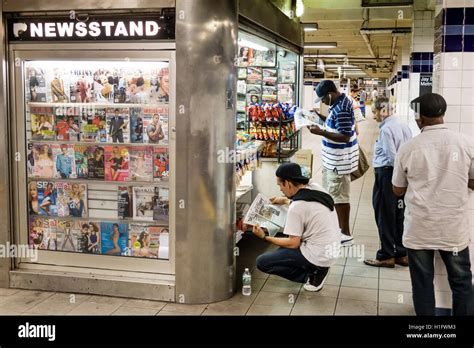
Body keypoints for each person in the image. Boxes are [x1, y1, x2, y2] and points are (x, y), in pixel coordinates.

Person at [392, 93, 474, 315]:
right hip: (453, 229)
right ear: (443, 114)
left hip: (420, 229)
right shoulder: (466, 143)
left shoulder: (408, 148)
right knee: (462, 281)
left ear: (419, 119)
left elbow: (397, 190)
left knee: (422, 283)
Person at [253, 163, 340, 292]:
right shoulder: (314, 187)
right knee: (281, 250)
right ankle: (319, 267)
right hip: (332, 247)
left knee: (262, 262)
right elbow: (307, 202)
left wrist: (265, 237)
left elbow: (293, 243)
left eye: (280, 185)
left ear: (288, 183)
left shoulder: (297, 207)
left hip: (319, 254)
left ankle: (313, 276)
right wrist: (284, 200)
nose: (280, 189)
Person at [363, 97, 412, 268]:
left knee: (384, 214)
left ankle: (386, 255)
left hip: (387, 175)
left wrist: (396, 176)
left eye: (375, 111)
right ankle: (401, 253)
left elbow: (393, 157)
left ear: (382, 111)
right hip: (402, 176)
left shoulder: (386, 130)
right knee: (399, 214)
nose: (373, 115)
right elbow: (406, 153)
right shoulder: (404, 125)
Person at [309, 80, 359, 246]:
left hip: (339, 163)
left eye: (323, 99)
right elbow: (335, 125)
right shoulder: (338, 104)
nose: (322, 102)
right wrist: (319, 117)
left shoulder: (342, 108)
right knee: (336, 196)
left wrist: (321, 132)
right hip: (334, 161)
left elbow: (344, 136)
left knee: (340, 198)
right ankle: (339, 230)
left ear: (330, 94)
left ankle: (345, 234)